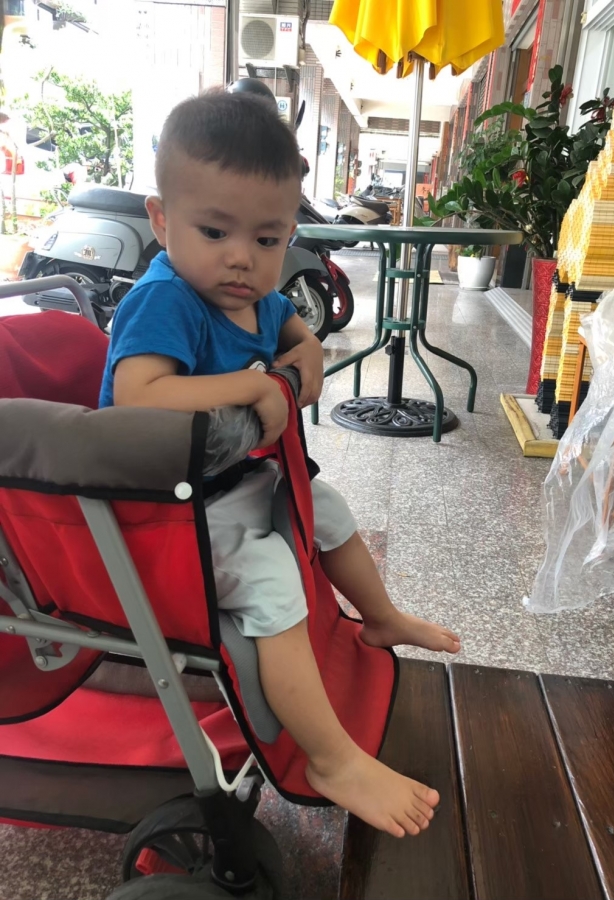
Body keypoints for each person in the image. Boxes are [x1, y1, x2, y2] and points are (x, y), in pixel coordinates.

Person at [99, 89, 461, 839]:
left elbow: (301, 338)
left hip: (225, 481)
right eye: (214, 231)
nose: (242, 257)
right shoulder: (167, 300)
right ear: (161, 220)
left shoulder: (256, 298)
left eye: (267, 239)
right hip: (160, 511)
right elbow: (139, 395)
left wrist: (304, 358)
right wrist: (256, 385)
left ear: (289, 233)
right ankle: (331, 759)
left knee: (325, 509)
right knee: (271, 579)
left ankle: (380, 620)